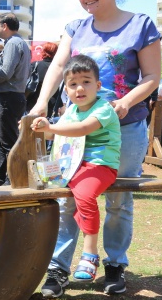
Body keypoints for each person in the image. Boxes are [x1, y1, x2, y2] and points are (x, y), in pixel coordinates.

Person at [29, 0, 161, 297]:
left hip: (123, 127)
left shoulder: (141, 25)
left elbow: (152, 77)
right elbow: (58, 68)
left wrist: (125, 102)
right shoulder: (76, 28)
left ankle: (114, 265)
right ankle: (59, 269)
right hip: (73, 128)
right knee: (67, 198)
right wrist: (41, 103)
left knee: (119, 200)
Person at [32, 55, 120, 285]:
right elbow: (55, 133)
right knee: (50, 194)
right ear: (66, 89)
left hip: (100, 165)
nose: (79, 88)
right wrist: (40, 128)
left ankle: (90, 253)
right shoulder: (70, 111)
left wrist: (53, 127)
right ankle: (53, 263)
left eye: (86, 82)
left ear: (98, 86)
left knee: (84, 194)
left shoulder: (103, 109)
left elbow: (82, 129)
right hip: (72, 165)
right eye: (72, 84)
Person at [0, 13, 30, 187]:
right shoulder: (20, 43)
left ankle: (11, 178)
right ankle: (2, 176)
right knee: (2, 138)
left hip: (9, 96)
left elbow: (4, 73)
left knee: (7, 140)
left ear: (4, 26)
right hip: (12, 96)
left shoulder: (13, 44)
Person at [26, 42, 60, 114]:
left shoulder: (35, 64)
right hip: (52, 103)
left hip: (33, 101)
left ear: (43, 51)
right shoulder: (58, 68)